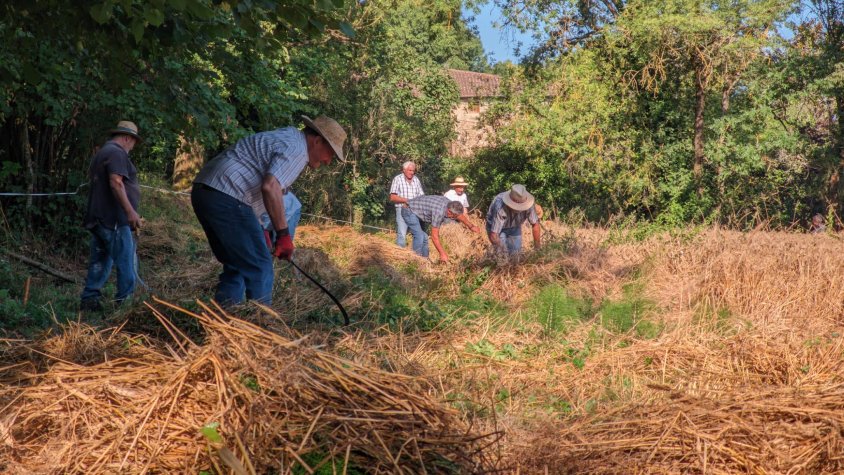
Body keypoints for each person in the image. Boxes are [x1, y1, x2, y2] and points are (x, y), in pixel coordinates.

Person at [191, 115, 346, 306]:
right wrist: (283, 235)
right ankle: (262, 326)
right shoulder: (297, 151)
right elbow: (270, 187)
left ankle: (225, 321)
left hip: (206, 191)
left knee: (239, 264)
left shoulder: (287, 138)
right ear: (317, 141)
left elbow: (261, 187)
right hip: (227, 196)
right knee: (260, 266)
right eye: (330, 153)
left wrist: (261, 228)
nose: (328, 161)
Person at [80, 121, 143, 311]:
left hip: (100, 218)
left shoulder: (103, 152)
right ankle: (125, 305)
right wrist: (130, 212)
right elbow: (116, 183)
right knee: (126, 263)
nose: (132, 147)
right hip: (114, 220)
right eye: (133, 142)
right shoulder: (117, 153)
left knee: (101, 262)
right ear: (127, 138)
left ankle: (90, 300)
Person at [402, 195, 480, 263]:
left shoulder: (451, 205)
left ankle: (424, 261)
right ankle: (416, 262)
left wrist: (471, 227)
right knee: (419, 236)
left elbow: (459, 215)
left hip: (418, 210)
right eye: (453, 216)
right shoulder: (439, 212)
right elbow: (434, 237)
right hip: (409, 210)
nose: (453, 218)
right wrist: (442, 253)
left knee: (425, 237)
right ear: (449, 211)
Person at [486, 184, 541, 254]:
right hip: (497, 229)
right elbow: (494, 235)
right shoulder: (500, 207)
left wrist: (537, 249)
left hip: (515, 227)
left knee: (516, 254)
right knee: (501, 255)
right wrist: (504, 253)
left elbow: (535, 225)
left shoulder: (529, 205)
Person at [389, 161, 424, 248]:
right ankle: (400, 256)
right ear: (404, 170)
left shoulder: (416, 179)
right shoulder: (397, 179)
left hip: (415, 211)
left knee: (417, 234)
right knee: (402, 234)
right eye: (410, 170)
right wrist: (407, 201)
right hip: (401, 209)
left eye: (413, 171)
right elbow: (392, 197)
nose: (412, 172)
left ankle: (416, 255)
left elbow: (421, 196)